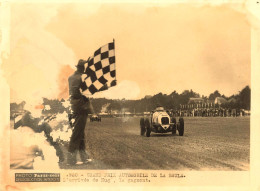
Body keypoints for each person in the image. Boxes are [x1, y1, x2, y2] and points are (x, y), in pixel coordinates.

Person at [67, 59, 93, 165]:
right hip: (81, 107)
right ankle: (71, 160)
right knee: (77, 133)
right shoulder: (82, 77)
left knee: (80, 132)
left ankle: (84, 158)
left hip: (72, 106)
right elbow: (91, 89)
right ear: (83, 68)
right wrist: (109, 85)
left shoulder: (71, 77)